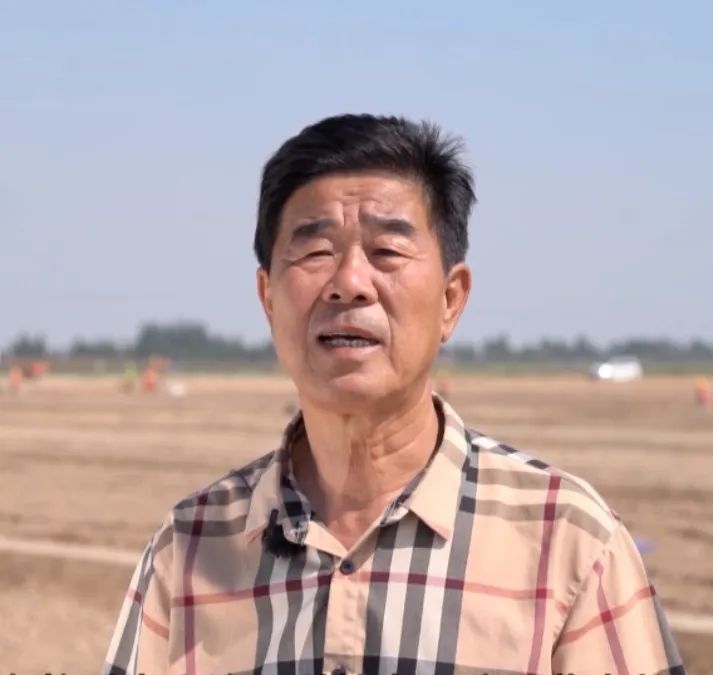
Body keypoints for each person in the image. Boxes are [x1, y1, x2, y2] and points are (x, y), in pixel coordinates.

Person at [103, 115, 685, 675]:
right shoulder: (189, 549)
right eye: (315, 252)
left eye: (387, 252)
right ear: (268, 298)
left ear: (451, 300)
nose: (349, 283)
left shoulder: (569, 544)